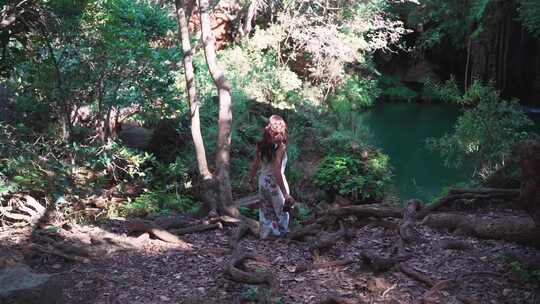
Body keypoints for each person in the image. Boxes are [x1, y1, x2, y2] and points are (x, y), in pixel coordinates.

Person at [248, 115, 295, 239]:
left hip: (263, 181)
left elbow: (255, 164)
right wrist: (285, 193)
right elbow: (277, 171)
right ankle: (282, 237)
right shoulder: (280, 148)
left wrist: (251, 179)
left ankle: (268, 235)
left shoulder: (261, 145)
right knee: (282, 211)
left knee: (266, 210)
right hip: (275, 183)